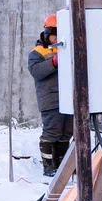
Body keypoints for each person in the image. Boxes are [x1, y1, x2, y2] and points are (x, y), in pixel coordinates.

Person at [28, 14, 71, 177]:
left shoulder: (65, 48)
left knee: (66, 133)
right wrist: (53, 62)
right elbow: (36, 71)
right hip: (50, 100)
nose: (57, 38)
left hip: (67, 98)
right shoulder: (37, 53)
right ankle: (49, 166)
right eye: (54, 34)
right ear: (47, 33)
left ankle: (61, 165)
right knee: (52, 132)